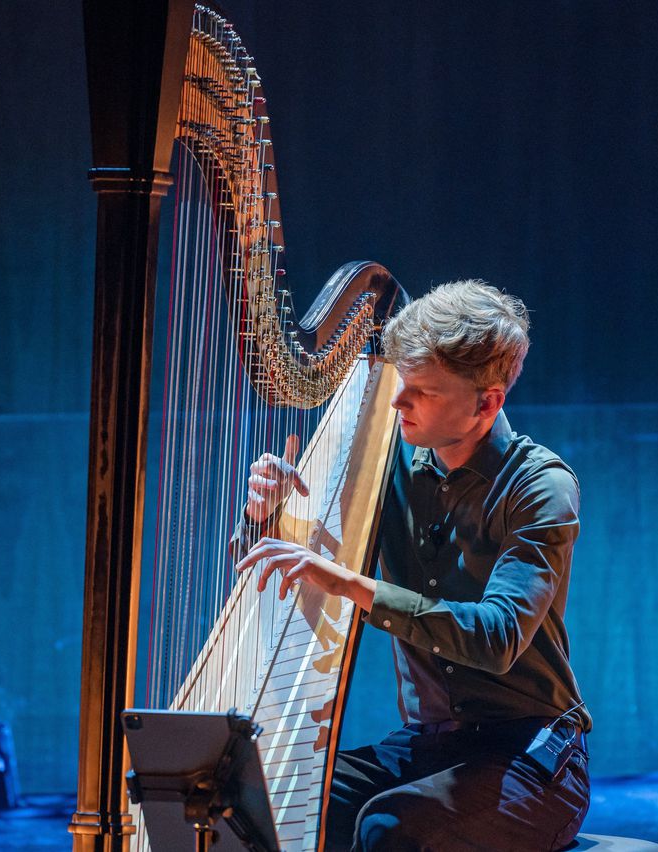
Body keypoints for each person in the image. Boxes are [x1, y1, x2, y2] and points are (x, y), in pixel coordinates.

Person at [234, 280, 592, 851]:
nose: (398, 401)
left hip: (529, 753)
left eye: (422, 391)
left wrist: (352, 583)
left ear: (488, 401)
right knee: (265, 804)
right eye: (401, 381)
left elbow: (496, 639)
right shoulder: (384, 459)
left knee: (391, 828)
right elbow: (277, 571)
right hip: (427, 745)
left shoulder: (539, 486)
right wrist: (266, 515)